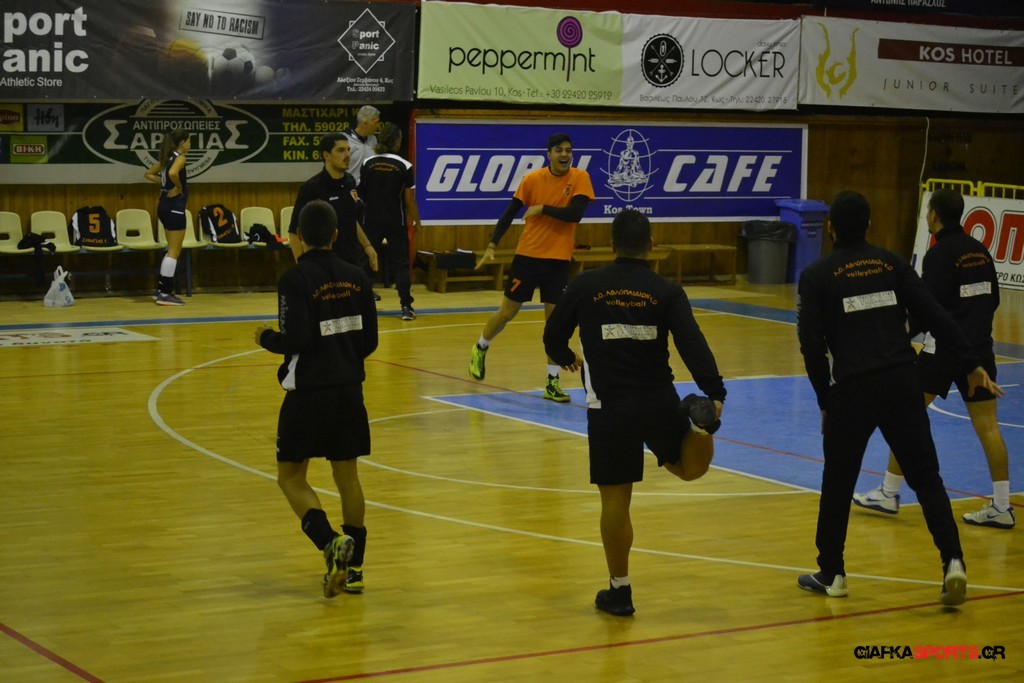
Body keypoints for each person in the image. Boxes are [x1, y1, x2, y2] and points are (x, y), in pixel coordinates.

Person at [796, 190, 1003, 606]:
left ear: (831, 228)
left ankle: (832, 573)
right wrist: (971, 361)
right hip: (901, 382)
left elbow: (811, 346)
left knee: (838, 483)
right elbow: (937, 317)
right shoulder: (892, 263)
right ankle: (953, 561)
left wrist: (824, 399)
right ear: (869, 224)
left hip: (853, 390)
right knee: (927, 477)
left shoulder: (817, 275)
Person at [543, 209, 726, 617]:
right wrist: (714, 391)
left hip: (609, 407)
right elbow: (692, 342)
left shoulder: (586, 285)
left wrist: (565, 356)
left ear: (612, 245)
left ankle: (620, 590)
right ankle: (700, 429)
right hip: (658, 398)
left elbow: (552, 335)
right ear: (651, 246)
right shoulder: (666, 290)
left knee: (615, 500)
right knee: (689, 470)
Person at [853, 189, 1013, 528]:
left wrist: (899, 338)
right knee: (989, 427)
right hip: (980, 352)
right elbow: (994, 300)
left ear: (935, 216)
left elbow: (927, 308)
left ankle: (889, 492)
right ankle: (1002, 507)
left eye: (928, 211)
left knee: (903, 416)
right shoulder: (981, 251)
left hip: (943, 351)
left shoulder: (939, 255)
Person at [255, 199, 378, 598]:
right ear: (336, 235)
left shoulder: (295, 278)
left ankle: (330, 543)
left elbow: (297, 339)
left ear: (299, 237)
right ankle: (355, 569)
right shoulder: (358, 277)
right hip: (350, 391)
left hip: (309, 394)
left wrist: (265, 338)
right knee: (348, 478)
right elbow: (370, 341)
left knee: (291, 477)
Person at [471, 132, 596, 402]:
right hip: (528, 257)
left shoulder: (580, 178)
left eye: (568, 150)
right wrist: (492, 244)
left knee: (555, 325)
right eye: (559, 150)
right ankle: (481, 346)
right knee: (507, 312)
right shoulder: (532, 180)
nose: (565, 154)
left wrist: (542, 209)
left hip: (559, 261)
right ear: (549, 154)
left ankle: (552, 382)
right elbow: (509, 213)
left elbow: (575, 214)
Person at [289, 133, 378, 282]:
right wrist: (302, 268)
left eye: (348, 150)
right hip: (322, 267)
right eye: (341, 150)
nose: (347, 155)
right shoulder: (312, 187)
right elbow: (294, 231)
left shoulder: (350, 182)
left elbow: (351, 219)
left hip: (351, 262)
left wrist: (367, 246)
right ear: (326, 155)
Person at [358, 122, 422, 321]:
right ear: (396, 142)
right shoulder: (405, 166)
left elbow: (362, 194)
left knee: (365, 262)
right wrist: (417, 220)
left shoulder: (367, 163)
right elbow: (409, 200)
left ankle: (361, 305)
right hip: (395, 220)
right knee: (401, 263)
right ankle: (406, 307)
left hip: (371, 220)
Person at [144, 127, 190, 306]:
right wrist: (178, 187)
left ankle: (161, 290)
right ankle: (165, 293)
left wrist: (163, 185)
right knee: (174, 251)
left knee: (171, 250)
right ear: (182, 143)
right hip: (174, 207)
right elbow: (172, 174)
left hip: (163, 205)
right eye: (189, 141)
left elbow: (148, 174)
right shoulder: (180, 158)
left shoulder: (166, 159)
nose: (190, 144)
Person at [342, 105, 380, 185]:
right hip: (349, 188)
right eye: (376, 122)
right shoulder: (344, 139)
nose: (378, 126)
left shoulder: (373, 139)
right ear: (365, 123)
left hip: (368, 188)